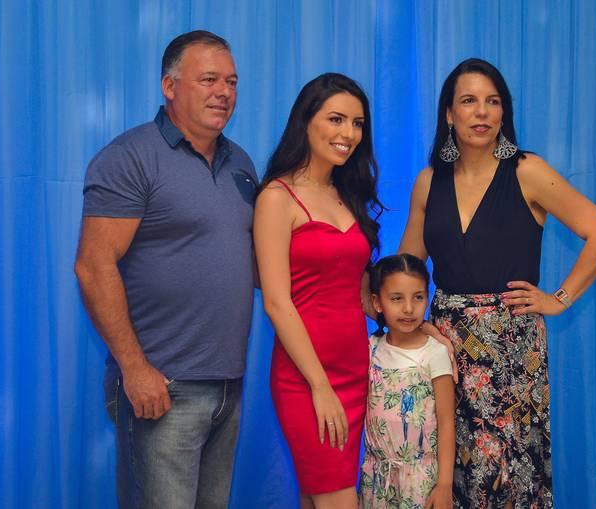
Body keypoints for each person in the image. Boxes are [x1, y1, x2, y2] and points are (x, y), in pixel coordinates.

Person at [399, 58, 596, 509]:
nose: (481, 112)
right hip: (444, 350)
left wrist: (559, 298)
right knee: (448, 474)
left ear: (504, 112)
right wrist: (406, 316)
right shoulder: (428, 183)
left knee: (508, 477)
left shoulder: (527, 171)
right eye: (469, 101)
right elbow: (408, 267)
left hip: (511, 351)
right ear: (449, 114)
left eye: (493, 101)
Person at [74, 31, 257, 508]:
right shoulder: (130, 157)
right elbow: (93, 266)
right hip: (162, 388)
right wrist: (135, 369)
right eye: (209, 80)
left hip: (227, 387)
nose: (224, 92)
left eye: (232, 82)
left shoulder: (241, 164)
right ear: (169, 86)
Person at [253, 73, 383, 508]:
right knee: (338, 498)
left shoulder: (347, 193)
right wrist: (319, 386)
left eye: (358, 123)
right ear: (306, 121)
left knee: (317, 498)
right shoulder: (277, 197)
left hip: (355, 371)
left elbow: (356, 290)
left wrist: (414, 325)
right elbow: (276, 302)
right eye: (336, 119)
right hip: (307, 378)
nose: (349, 133)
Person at [359, 254, 455, 509]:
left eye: (418, 297)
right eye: (396, 298)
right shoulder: (370, 350)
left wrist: (445, 484)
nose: (409, 308)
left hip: (421, 481)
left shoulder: (434, 353)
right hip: (377, 479)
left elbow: (446, 421)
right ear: (377, 303)